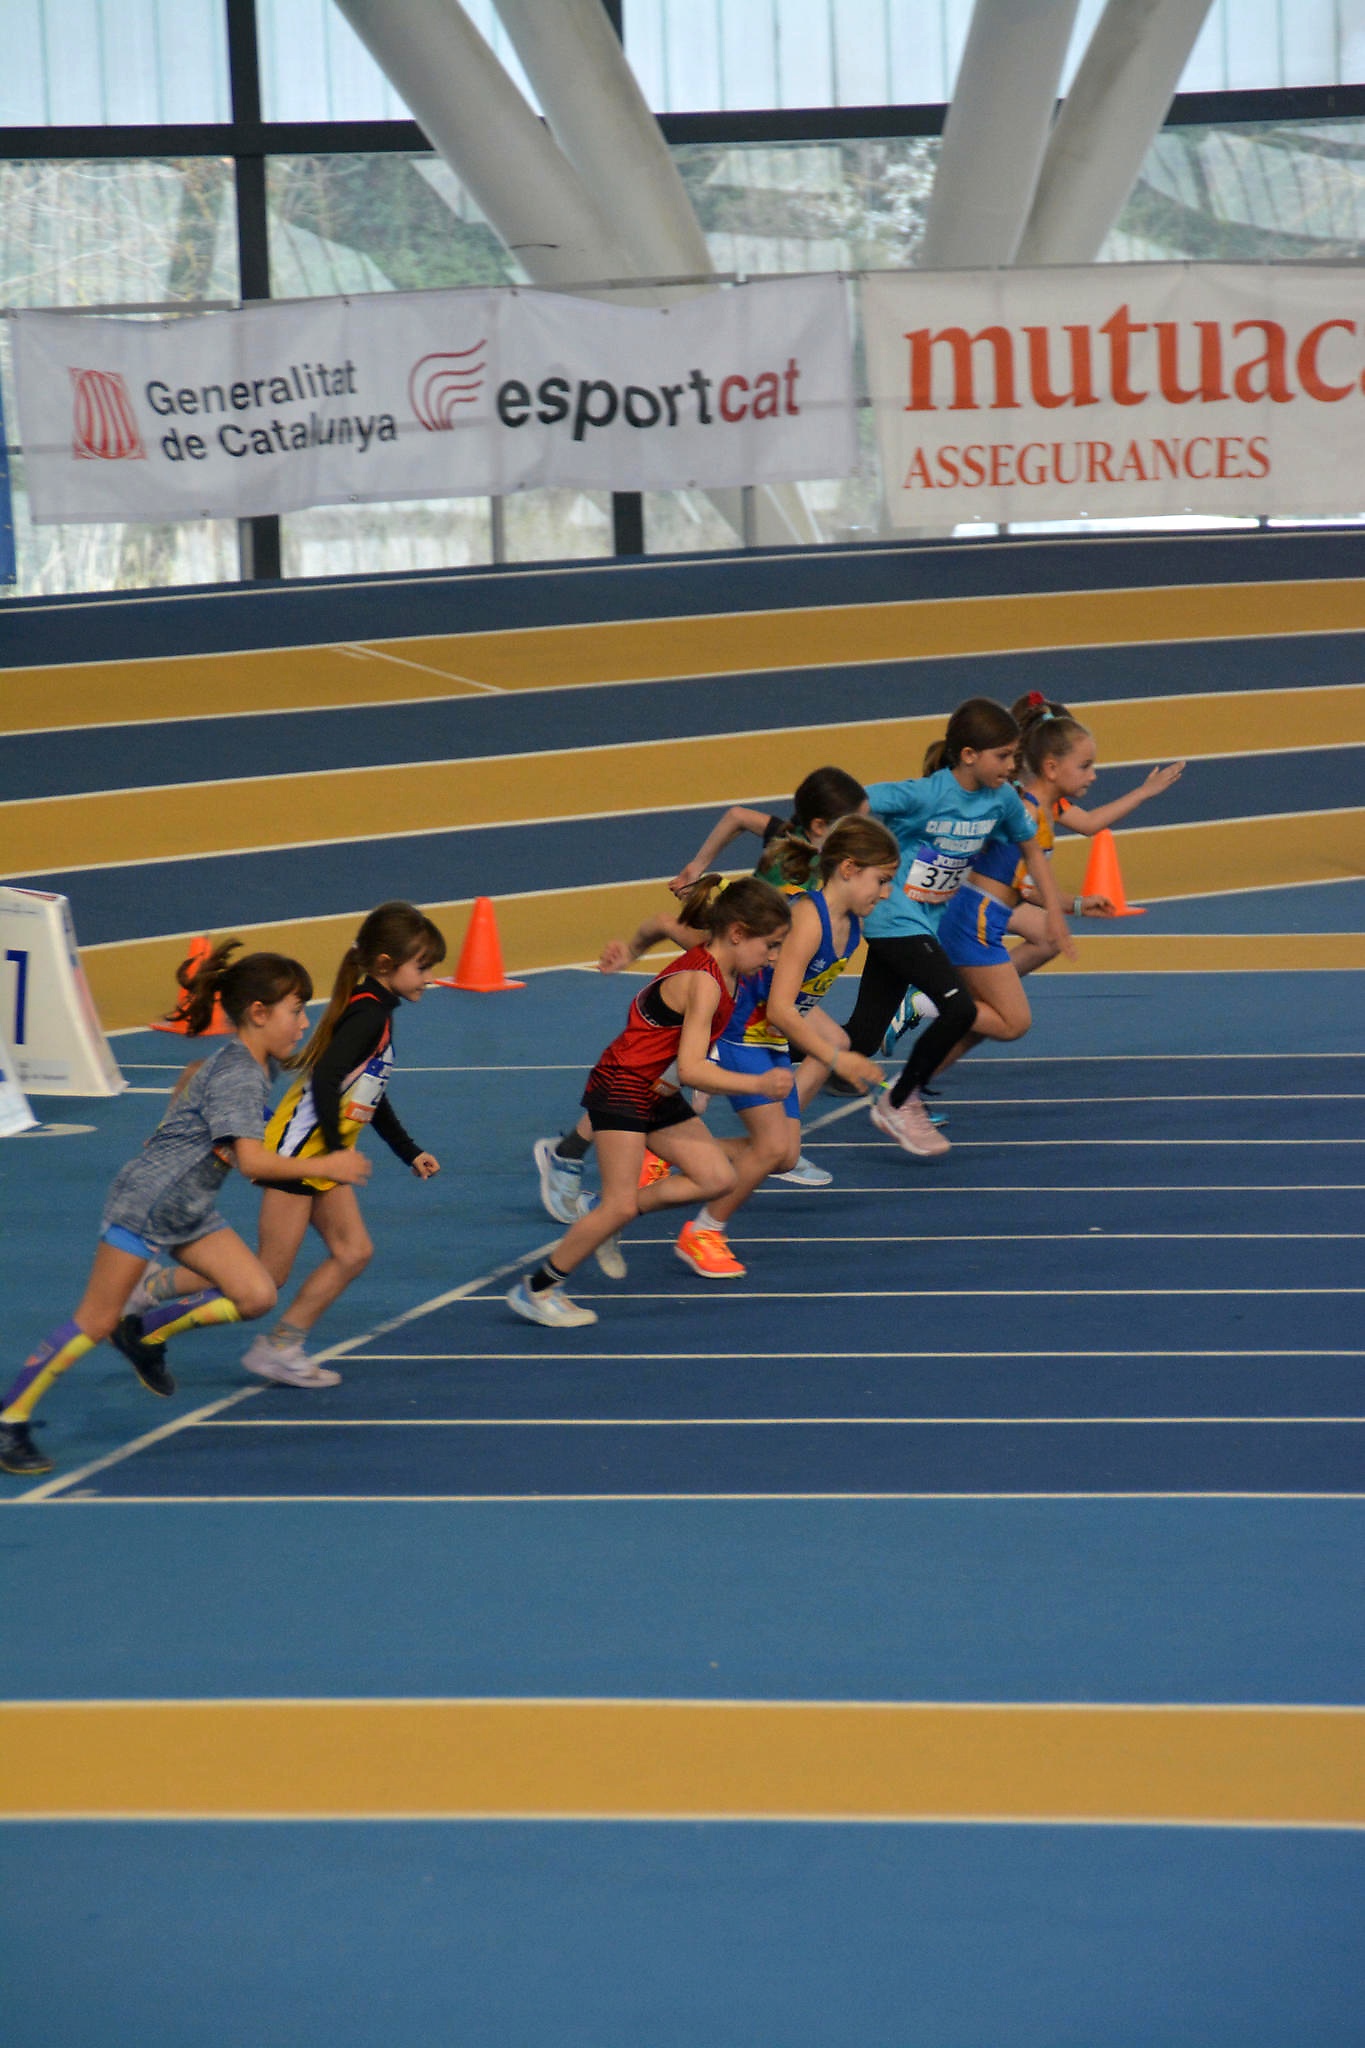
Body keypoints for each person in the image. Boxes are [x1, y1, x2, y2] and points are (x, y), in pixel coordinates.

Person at [0, 947, 369, 1478]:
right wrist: (328, 1165)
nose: (302, 1023)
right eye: (295, 1010)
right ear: (259, 1013)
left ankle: (145, 1332)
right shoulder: (241, 1074)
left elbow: (203, 1091)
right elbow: (252, 1163)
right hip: (147, 1204)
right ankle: (10, 1418)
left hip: (190, 1209)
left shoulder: (247, 1065)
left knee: (257, 1293)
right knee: (95, 1320)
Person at [509, 876, 794, 1329]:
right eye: (771, 945)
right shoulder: (706, 983)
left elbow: (660, 922)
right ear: (738, 933)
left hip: (656, 1088)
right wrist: (758, 1083)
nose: (774, 956)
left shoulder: (721, 960)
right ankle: (538, 1289)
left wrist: (631, 951)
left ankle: (604, 1216)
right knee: (619, 1205)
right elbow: (692, 1070)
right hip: (622, 1085)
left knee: (717, 1177)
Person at [843, 697, 1074, 1158]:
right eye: (1003, 756)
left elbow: (1031, 849)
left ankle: (745, 1047)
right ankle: (897, 1101)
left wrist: (1056, 911)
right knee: (961, 1009)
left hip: (926, 922)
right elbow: (854, 802)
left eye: (1014, 756)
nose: (1012, 766)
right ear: (968, 756)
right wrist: (845, 862)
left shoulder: (1002, 799)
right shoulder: (926, 795)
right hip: (895, 918)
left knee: (862, 1036)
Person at [668, 814, 897, 1275]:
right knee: (773, 1148)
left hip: (766, 1038)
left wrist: (834, 1046)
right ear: (848, 869)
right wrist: (837, 1058)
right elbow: (780, 1008)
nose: (887, 892)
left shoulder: (850, 926)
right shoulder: (809, 921)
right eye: (882, 880)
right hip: (740, 1030)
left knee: (785, 1154)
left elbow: (800, 1002)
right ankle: (704, 1231)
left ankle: (669, 1147)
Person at [1002, 690, 1185, 973]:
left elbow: (1089, 823)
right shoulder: (1026, 810)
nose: (1093, 775)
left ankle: (980, 987)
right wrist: (1074, 905)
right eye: (1084, 765)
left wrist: (1144, 792)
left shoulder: (1045, 801)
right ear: (1050, 765)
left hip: (991, 901)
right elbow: (1025, 889)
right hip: (973, 903)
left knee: (1048, 939)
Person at [668, 765, 869, 898]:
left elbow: (737, 816)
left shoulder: (788, 834)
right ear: (819, 826)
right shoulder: (793, 874)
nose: (864, 831)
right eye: (854, 824)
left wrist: (696, 866)